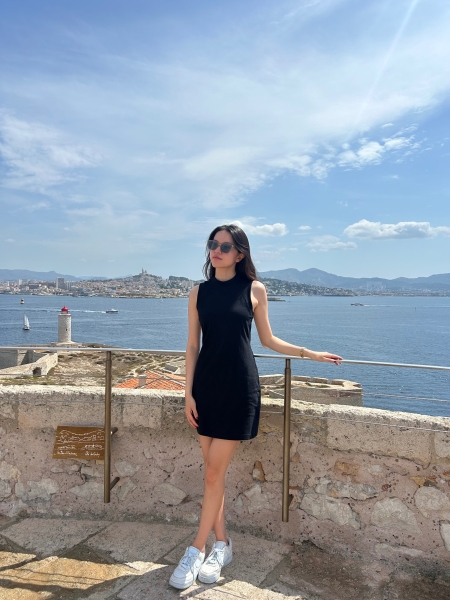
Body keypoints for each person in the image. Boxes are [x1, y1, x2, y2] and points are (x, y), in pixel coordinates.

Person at [169, 224, 342, 590]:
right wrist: (188, 393)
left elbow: (267, 339)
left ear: (240, 253)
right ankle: (222, 545)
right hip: (206, 389)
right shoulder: (197, 292)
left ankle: (195, 549)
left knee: (214, 474)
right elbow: (191, 346)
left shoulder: (254, 289)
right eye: (213, 244)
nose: (216, 250)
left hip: (239, 389)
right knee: (212, 474)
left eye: (225, 246)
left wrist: (309, 353)